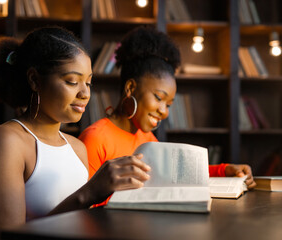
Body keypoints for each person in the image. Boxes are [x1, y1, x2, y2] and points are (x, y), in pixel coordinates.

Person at [0, 26, 152, 240]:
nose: (85, 93)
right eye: (72, 82)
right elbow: (3, 237)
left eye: (88, 82)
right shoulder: (6, 142)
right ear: (34, 80)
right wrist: (89, 193)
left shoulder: (77, 148)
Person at [78, 26, 256, 205]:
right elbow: (85, 206)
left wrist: (225, 170)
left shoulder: (147, 138)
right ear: (130, 88)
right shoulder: (95, 139)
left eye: (169, 104)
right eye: (158, 97)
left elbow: (181, 175)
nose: (164, 111)